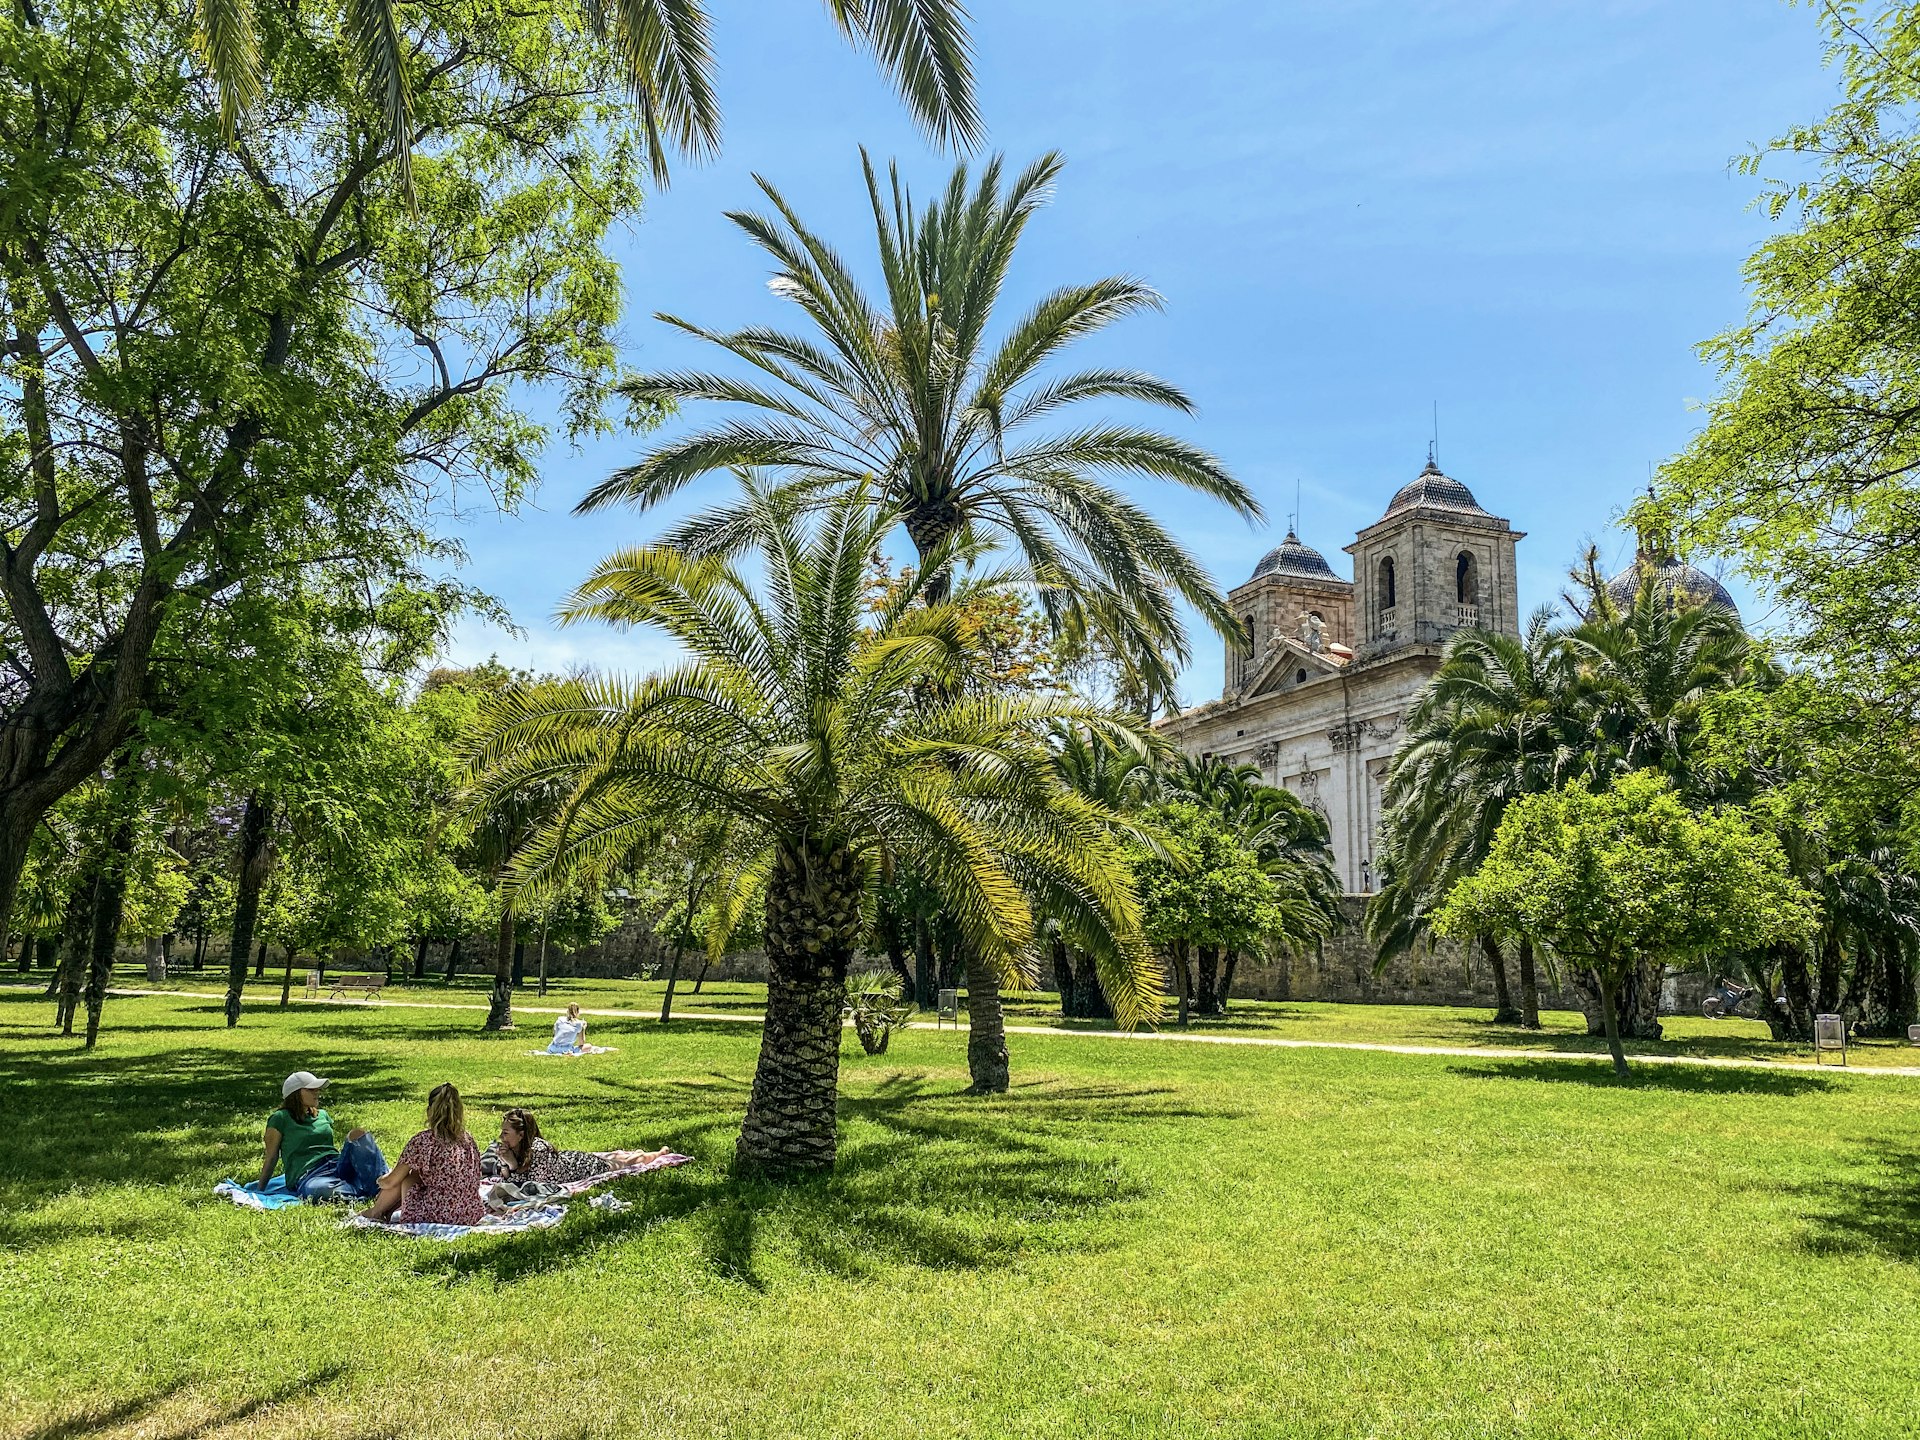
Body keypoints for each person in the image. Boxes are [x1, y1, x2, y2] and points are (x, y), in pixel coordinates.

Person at [361, 1082, 485, 1226]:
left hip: (438, 1215)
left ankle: (376, 1212)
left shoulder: (424, 1140)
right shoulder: (468, 1140)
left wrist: (379, 1180)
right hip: (470, 1212)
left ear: (429, 1112)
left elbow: (391, 1181)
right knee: (417, 1175)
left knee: (409, 1177)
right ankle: (382, 1212)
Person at [259, 1070, 388, 1202]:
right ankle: (376, 1191)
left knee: (357, 1134)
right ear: (295, 1093)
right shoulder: (280, 1118)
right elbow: (271, 1157)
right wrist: (260, 1190)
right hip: (310, 1176)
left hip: (337, 1164)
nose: (317, 1092)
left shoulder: (322, 1114)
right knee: (318, 1190)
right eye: (311, 1089)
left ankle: (384, 1186)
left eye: (317, 1089)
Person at [479, 1106, 668, 1186]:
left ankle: (655, 1155)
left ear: (521, 1135)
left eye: (505, 1133)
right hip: (566, 1159)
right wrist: (508, 1164)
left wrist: (511, 1167)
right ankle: (633, 1154)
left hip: (579, 1167)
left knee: (623, 1164)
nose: (501, 1137)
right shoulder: (512, 1150)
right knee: (616, 1159)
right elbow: (507, 1182)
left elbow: (530, 1187)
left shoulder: (538, 1150)